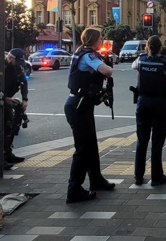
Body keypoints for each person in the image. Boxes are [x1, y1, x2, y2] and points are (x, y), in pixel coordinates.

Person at [64, 28, 116, 203]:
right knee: (83, 149)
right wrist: (107, 62)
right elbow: (107, 71)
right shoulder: (88, 56)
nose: (102, 41)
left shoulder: (81, 53)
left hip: (81, 105)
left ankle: (96, 180)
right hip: (78, 106)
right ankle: (74, 190)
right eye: (101, 38)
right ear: (94, 40)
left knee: (91, 145)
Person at [132, 35, 166, 186]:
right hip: (160, 103)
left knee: (141, 140)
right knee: (157, 141)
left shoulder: (140, 60)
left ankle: (138, 176)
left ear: (147, 47)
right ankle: (156, 177)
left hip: (143, 102)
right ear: (160, 48)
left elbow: (134, 67)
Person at [3, 48, 29, 169]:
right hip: (0, 101)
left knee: (13, 126)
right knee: (3, 128)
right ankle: (1, 157)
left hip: (10, 99)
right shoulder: (1, 68)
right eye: (16, 62)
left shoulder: (17, 68)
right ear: (10, 58)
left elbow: (23, 82)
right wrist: (5, 98)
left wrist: (25, 98)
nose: (18, 65)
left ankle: (8, 153)